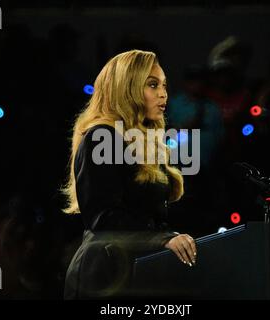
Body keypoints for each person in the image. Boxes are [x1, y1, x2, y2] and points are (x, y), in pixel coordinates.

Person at [62, 49, 197, 299]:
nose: (163, 94)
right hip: (104, 277)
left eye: (164, 85)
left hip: (136, 274)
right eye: (153, 85)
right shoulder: (101, 138)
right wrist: (161, 239)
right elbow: (104, 217)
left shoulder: (147, 145)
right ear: (127, 88)